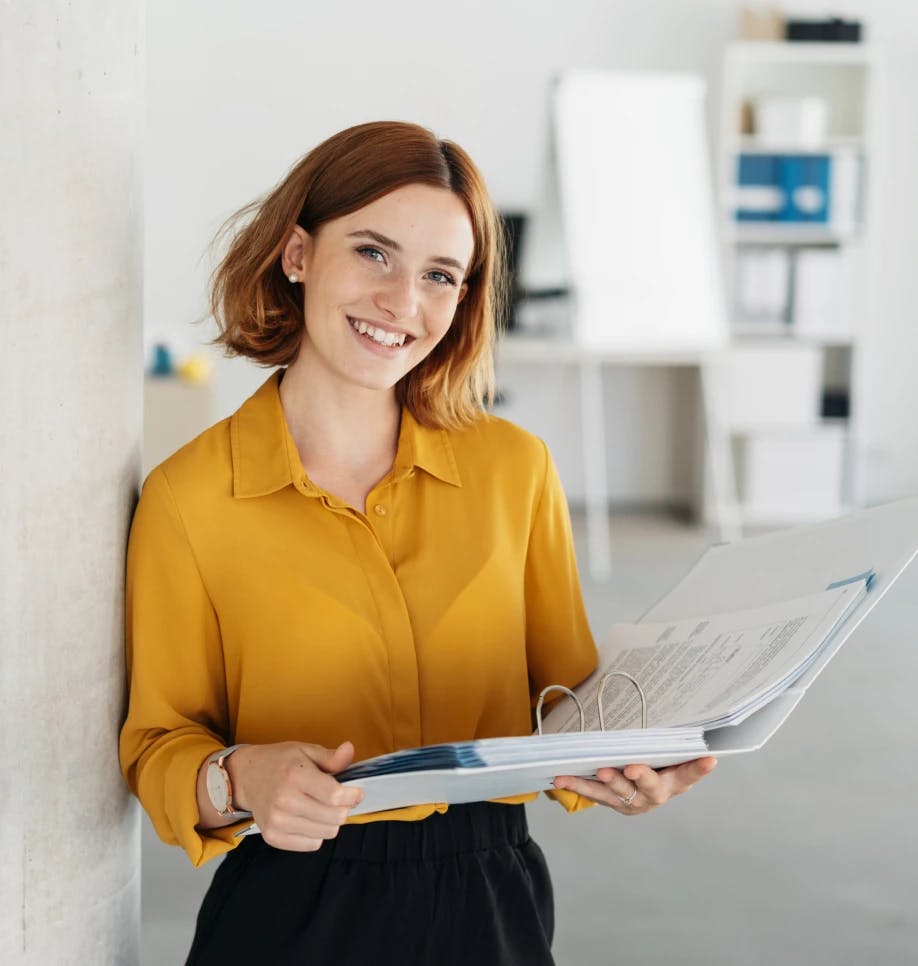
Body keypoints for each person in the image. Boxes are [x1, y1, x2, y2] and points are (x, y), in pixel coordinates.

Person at [119, 120, 716, 966]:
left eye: (441, 274)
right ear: (297, 254)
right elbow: (157, 743)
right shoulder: (189, 498)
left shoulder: (516, 470)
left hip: (491, 899)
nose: (404, 303)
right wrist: (240, 778)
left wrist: (635, 759)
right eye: (373, 253)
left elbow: (570, 703)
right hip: (290, 907)